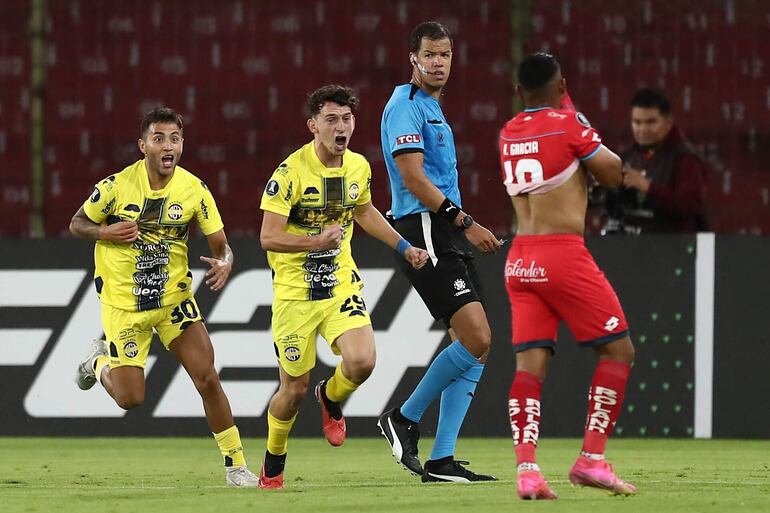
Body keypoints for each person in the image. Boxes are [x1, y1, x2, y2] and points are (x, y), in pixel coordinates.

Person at [70, 107, 259, 487]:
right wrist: (106, 234)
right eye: (159, 138)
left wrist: (225, 264)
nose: (167, 146)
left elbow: (222, 246)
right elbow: (77, 223)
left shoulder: (194, 189)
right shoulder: (115, 187)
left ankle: (236, 465)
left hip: (173, 300)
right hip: (125, 305)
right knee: (130, 399)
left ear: (182, 145)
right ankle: (98, 362)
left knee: (207, 376)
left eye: (174, 138)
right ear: (143, 146)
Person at [258, 84, 428, 490]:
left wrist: (404, 248)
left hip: (338, 286)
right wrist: (315, 241)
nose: (341, 127)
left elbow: (365, 211)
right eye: (331, 119)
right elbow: (268, 236)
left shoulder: (358, 167)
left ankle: (331, 397)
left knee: (363, 361)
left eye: (347, 118)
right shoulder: (289, 174)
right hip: (295, 294)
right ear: (313, 126)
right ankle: (273, 462)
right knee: (293, 390)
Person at [498, 52, 638, 500]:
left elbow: (553, 147)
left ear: (520, 92)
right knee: (619, 350)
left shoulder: (508, 133)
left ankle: (527, 471)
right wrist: (580, 126)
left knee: (529, 366)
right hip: (562, 255)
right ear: (563, 85)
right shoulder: (569, 124)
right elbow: (614, 174)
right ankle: (592, 459)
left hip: (521, 259)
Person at [377, 20, 500, 483]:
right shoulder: (404, 106)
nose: (438, 62)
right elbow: (412, 180)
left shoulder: (431, 108)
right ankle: (403, 418)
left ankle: (443, 458)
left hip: (444, 228)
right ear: (413, 58)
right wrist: (466, 223)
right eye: (430, 54)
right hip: (425, 225)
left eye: (445, 55)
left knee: (474, 344)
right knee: (477, 336)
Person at [600, 87, 708, 233]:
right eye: (637, 122)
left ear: (669, 122)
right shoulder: (628, 156)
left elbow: (691, 205)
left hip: (674, 248)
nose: (643, 129)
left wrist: (649, 187)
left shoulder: (686, 159)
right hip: (633, 247)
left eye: (651, 122)